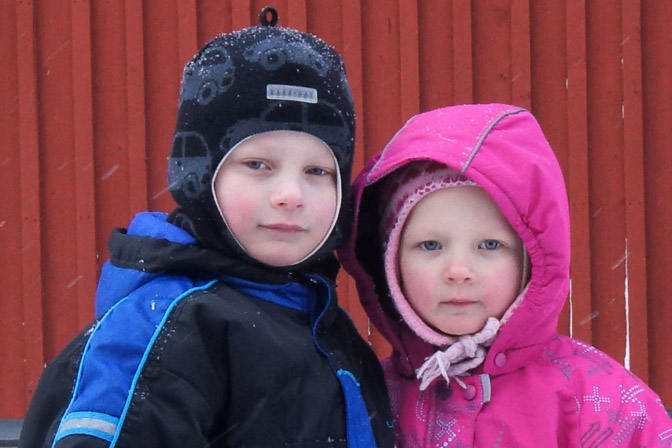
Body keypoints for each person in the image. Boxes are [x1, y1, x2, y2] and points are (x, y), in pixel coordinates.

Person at [19, 7, 393, 448]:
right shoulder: (172, 324)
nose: (290, 194)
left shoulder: (323, 325)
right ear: (199, 176)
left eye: (317, 171)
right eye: (258, 165)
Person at [338, 103, 672, 447]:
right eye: (430, 245)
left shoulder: (603, 403)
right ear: (390, 263)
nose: (459, 272)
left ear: (532, 259)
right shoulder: (369, 400)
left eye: (490, 245)